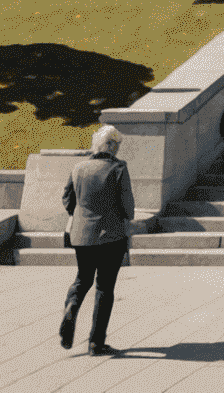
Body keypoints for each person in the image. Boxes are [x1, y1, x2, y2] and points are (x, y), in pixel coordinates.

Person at [58, 126, 134, 355]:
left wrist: (81, 215)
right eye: (117, 145)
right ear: (113, 146)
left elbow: (67, 199)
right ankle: (96, 342)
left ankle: (72, 304)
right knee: (105, 286)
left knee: (83, 278)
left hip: (81, 236)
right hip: (111, 236)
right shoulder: (118, 168)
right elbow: (127, 207)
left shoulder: (78, 167)